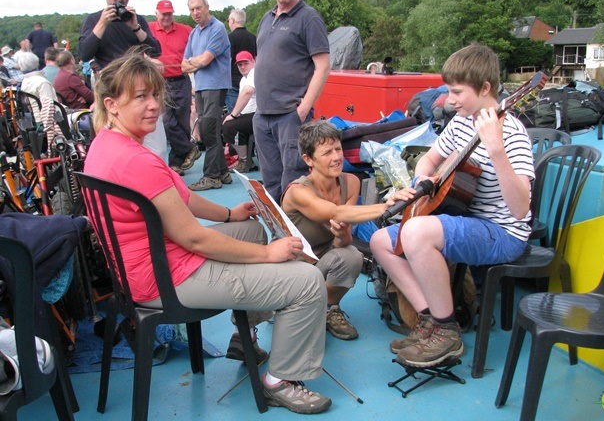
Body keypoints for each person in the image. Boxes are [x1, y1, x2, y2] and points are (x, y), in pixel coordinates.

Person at [84, 52, 332, 415]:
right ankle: (281, 380)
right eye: (140, 97)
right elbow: (194, 239)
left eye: (155, 95)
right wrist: (268, 255)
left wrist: (231, 214)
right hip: (166, 280)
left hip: (139, 270)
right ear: (112, 104)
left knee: (249, 229)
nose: (154, 105)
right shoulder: (136, 160)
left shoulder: (107, 146)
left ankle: (242, 334)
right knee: (308, 281)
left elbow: (181, 198)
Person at [369, 44, 535, 368]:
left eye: (457, 92)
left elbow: (519, 210)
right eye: (448, 91)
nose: (450, 100)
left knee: (415, 232)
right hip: (468, 219)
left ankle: (447, 334)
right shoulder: (460, 122)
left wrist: (496, 151)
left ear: (485, 88)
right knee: (379, 241)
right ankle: (429, 319)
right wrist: (422, 181)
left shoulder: (512, 133)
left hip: (503, 232)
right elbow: (431, 158)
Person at [281, 120, 413, 341]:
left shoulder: (350, 182)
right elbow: (336, 213)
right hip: (295, 264)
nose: (336, 157)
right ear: (308, 159)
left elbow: (343, 240)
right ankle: (298, 305)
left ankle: (328, 309)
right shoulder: (298, 192)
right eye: (326, 153)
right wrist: (385, 206)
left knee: (352, 256)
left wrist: (342, 233)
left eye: (338, 149)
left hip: (323, 258)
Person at [253, 0, 330, 203]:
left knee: (293, 181)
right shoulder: (266, 18)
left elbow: (323, 65)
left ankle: (298, 237)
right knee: (271, 181)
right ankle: (279, 235)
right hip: (263, 113)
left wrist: (304, 107)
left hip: (290, 114)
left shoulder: (309, 18)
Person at [182, 0, 232, 191]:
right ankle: (222, 172)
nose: (195, 13)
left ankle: (211, 176)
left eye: (198, 8)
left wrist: (196, 62)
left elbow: (204, 60)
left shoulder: (217, 29)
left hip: (215, 85)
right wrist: (197, 62)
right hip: (202, 86)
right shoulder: (194, 33)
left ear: (207, 7)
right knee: (207, 130)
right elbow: (183, 65)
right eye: (192, 9)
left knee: (209, 130)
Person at [149, 0, 200, 176]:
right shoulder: (149, 30)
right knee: (167, 121)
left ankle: (176, 163)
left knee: (182, 121)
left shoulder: (185, 30)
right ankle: (188, 148)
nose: (167, 17)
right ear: (156, 13)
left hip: (181, 79)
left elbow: (198, 49)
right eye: (163, 14)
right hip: (159, 81)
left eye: (169, 13)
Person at [77, 0, 161, 70]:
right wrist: (102, 23)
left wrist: (136, 28)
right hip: (110, 80)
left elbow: (156, 52)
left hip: (135, 77)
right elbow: (84, 55)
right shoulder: (93, 19)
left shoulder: (137, 19)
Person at [18, 52, 64, 155]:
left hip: (35, 119)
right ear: (37, 63)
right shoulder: (41, 82)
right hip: (47, 122)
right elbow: (50, 105)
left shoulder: (25, 82)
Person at [222, 51, 257, 173]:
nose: (242, 67)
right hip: (248, 114)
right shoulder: (244, 79)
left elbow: (248, 93)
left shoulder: (255, 73)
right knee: (223, 121)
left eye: (245, 63)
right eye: (239, 64)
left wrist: (233, 115)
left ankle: (245, 160)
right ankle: (234, 156)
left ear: (253, 62)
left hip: (258, 114)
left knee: (230, 126)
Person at [224, 9, 256, 113]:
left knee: (234, 116)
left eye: (228, 20)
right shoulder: (253, 37)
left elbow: (226, 62)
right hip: (251, 82)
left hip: (233, 84)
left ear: (232, 20)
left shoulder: (229, 38)